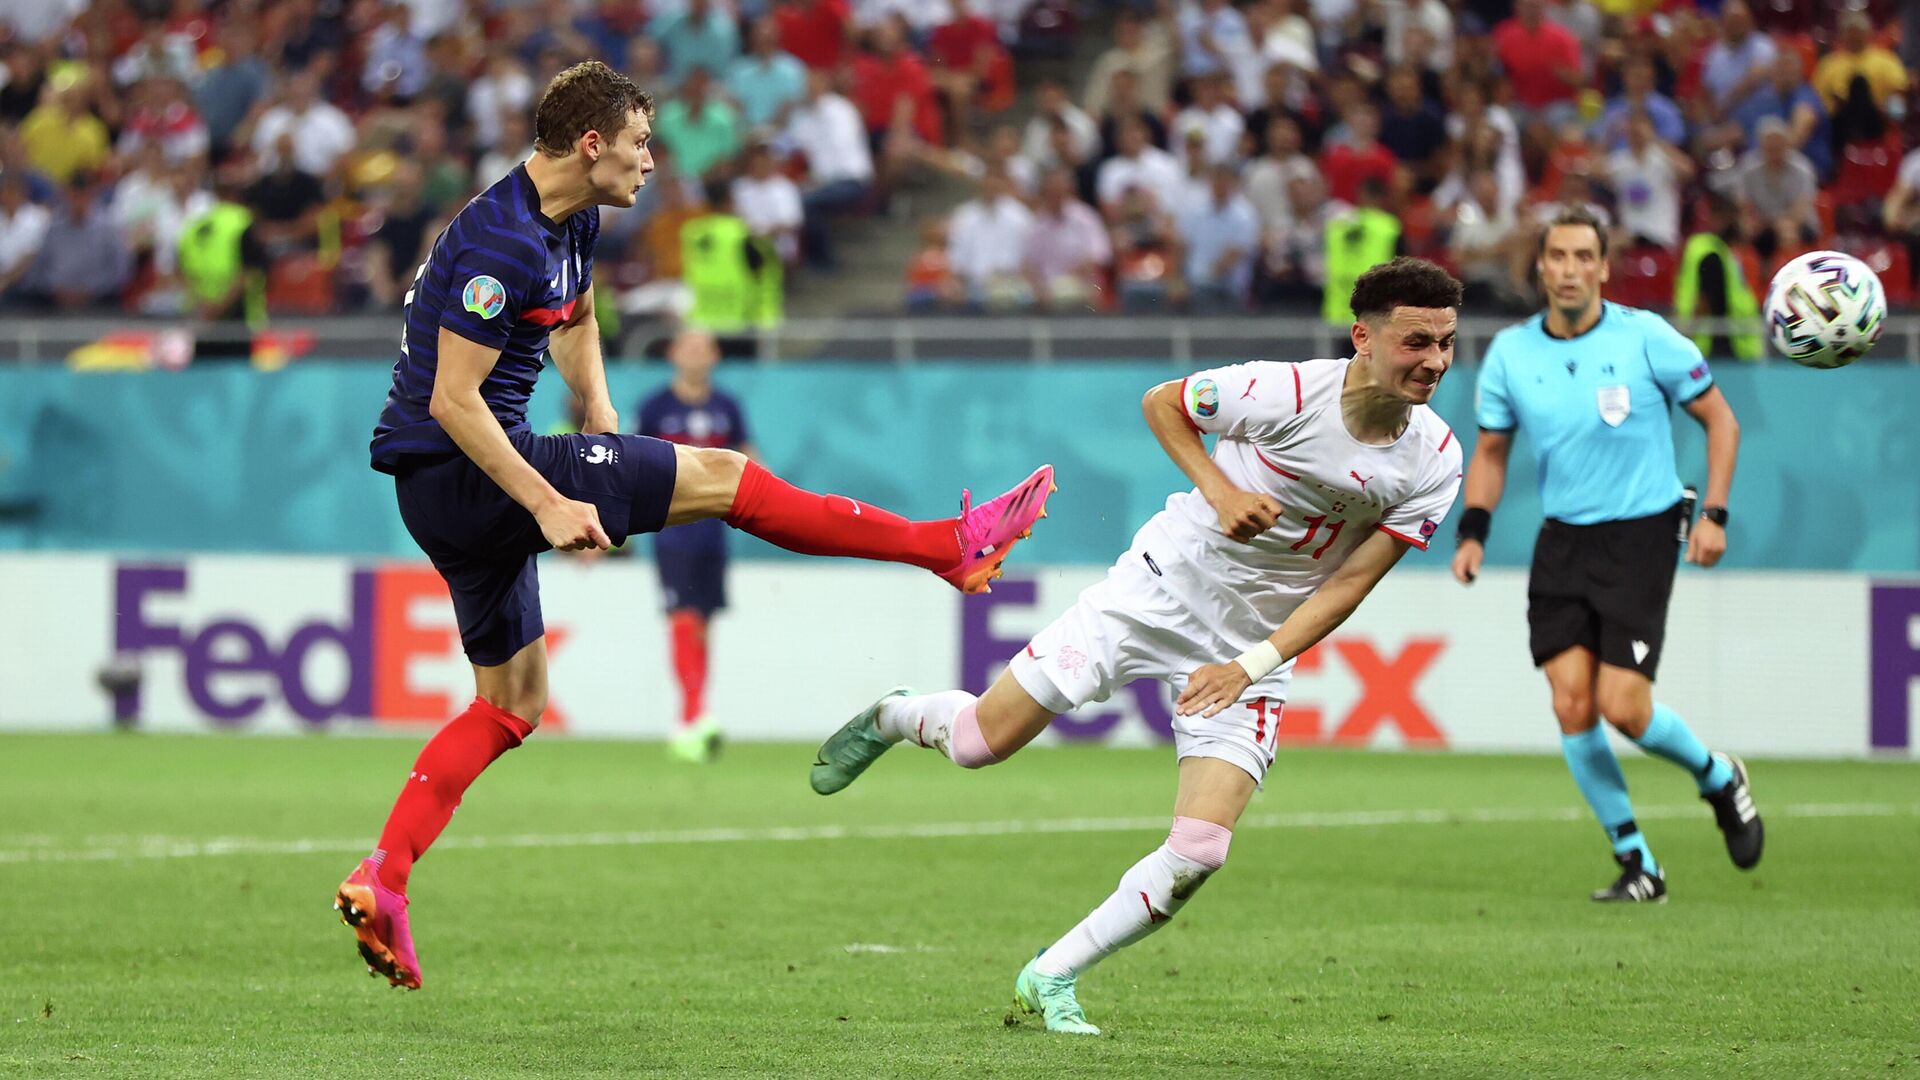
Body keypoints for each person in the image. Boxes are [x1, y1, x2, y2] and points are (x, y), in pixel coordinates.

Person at [334, 62, 1058, 991]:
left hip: (454, 491)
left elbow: (578, 314)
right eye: (639, 144)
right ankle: (945, 547)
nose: (650, 163)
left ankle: (383, 879)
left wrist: (593, 403)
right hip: (462, 472)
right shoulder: (499, 243)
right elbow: (454, 401)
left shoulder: (570, 220)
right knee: (725, 477)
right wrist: (549, 502)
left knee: (512, 703)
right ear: (591, 144)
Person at [809, 257, 1469, 1035]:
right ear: (1364, 337)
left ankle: (1051, 976)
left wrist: (1250, 665)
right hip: (1156, 592)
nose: (1433, 361)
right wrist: (1220, 492)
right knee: (979, 744)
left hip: (1250, 647)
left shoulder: (1436, 459)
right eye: (1416, 341)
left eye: (1446, 344)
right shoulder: (1284, 391)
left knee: (1200, 850)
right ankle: (895, 716)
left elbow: (1347, 586)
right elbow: (1163, 403)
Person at [1451, 208, 1763, 905]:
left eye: (1582, 256)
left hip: (1642, 534)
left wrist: (1713, 514)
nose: (1568, 269)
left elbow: (1722, 421)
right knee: (1571, 704)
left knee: (1624, 707)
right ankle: (1638, 862)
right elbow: (1492, 453)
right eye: (1556, 256)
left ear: (1602, 266)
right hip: (1563, 540)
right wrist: (1473, 530)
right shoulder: (1510, 355)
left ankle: (1718, 777)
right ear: (1540, 267)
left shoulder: (1646, 338)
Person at [634, 329, 757, 763]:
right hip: (674, 531)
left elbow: (750, 460)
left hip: (714, 532)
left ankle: (696, 711)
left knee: (703, 624)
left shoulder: (728, 407)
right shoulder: (654, 408)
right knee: (682, 619)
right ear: (672, 354)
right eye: (687, 347)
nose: (695, 355)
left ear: (715, 356)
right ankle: (689, 717)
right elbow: (635, 466)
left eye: (702, 348)